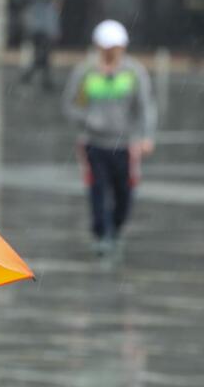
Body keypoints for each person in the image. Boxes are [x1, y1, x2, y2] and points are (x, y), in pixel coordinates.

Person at [62, 19, 156, 259]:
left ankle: (116, 228)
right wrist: (89, 120)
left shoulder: (134, 72)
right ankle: (102, 235)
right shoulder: (85, 72)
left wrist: (146, 136)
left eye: (115, 47)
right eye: (106, 47)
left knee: (124, 192)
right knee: (97, 190)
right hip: (93, 144)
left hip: (126, 145)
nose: (111, 52)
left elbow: (145, 107)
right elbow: (69, 104)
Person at [20, 0, 62, 91]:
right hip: (42, 35)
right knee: (43, 57)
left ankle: (36, 78)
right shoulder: (46, 7)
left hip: (40, 35)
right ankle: (41, 79)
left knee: (43, 57)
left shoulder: (41, 6)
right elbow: (49, 22)